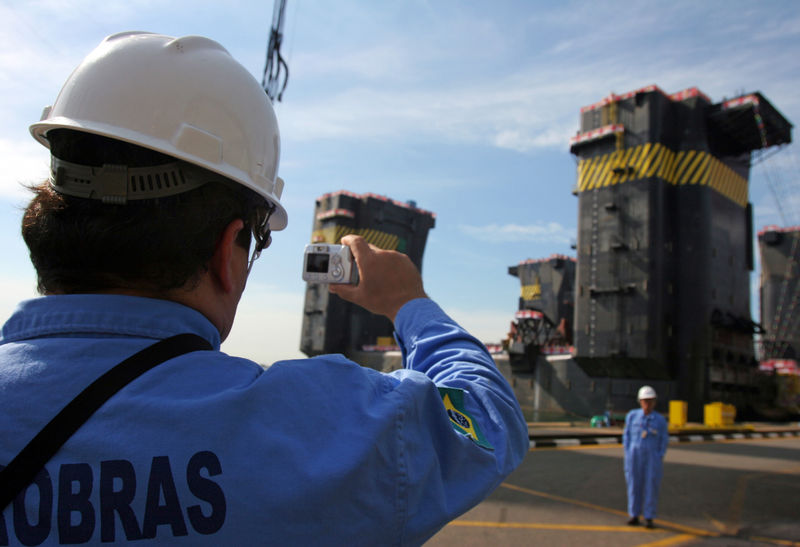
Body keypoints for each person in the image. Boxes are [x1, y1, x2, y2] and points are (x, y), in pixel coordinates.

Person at [0, 32, 529, 545]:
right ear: (225, 252)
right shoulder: (320, 430)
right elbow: (486, 419)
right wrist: (409, 304)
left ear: (45, 222)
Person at [623, 385, 669, 529]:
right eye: (645, 401)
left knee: (651, 486)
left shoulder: (660, 420)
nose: (647, 404)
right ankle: (634, 515)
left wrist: (659, 455)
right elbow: (627, 435)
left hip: (652, 457)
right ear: (640, 401)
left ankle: (649, 516)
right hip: (634, 455)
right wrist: (628, 452)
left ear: (654, 402)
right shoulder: (632, 416)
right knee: (633, 485)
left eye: (650, 401)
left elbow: (664, 439)